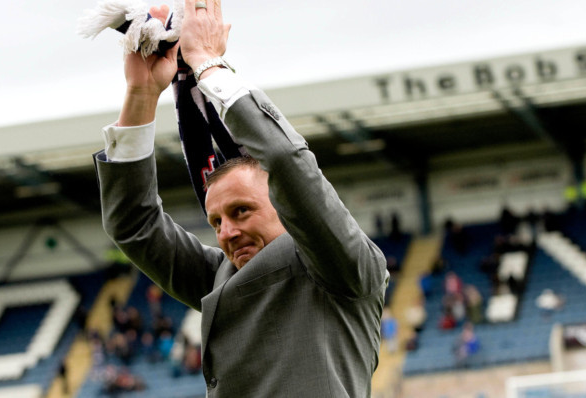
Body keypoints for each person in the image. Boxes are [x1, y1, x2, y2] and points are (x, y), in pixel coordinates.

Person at [93, 1, 389, 396]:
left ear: (288, 204)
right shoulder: (222, 277)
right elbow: (133, 225)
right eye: (216, 221)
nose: (227, 232)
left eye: (242, 211)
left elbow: (285, 159)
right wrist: (141, 94)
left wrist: (207, 63)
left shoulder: (346, 268)